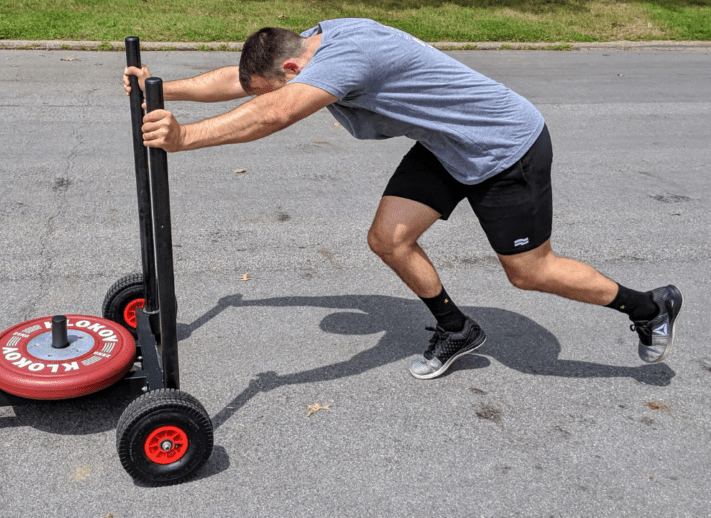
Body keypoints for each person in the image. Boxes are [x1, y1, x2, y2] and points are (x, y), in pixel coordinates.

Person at [122, 18, 683, 380]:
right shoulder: (309, 43)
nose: (287, 86)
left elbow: (276, 111)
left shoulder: (344, 59)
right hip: (448, 144)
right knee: (388, 239)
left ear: (296, 68)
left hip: (505, 146)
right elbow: (247, 86)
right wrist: (162, 88)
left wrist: (188, 136)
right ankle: (458, 328)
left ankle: (649, 306)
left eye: (287, 82)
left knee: (529, 271)